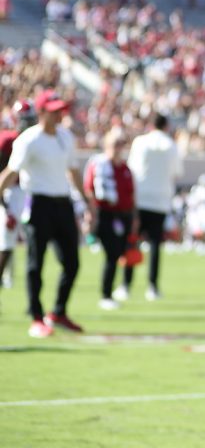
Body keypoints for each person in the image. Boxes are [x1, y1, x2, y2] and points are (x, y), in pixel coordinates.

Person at [0, 91, 85, 338]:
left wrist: (86, 200)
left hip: (63, 203)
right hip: (38, 203)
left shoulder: (65, 137)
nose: (60, 114)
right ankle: (36, 317)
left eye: (61, 109)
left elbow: (73, 171)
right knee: (35, 263)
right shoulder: (28, 140)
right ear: (42, 112)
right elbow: (11, 172)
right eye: (54, 110)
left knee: (72, 262)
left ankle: (58, 311)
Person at [125, 114, 180, 301]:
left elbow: (131, 169)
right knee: (155, 245)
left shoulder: (140, 142)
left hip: (140, 199)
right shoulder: (170, 145)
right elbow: (176, 173)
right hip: (160, 201)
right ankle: (152, 286)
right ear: (165, 126)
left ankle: (125, 285)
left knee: (132, 241)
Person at [84, 129, 135, 311]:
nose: (119, 148)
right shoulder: (99, 165)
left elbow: (131, 195)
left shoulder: (125, 168)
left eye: (121, 144)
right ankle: (106, 294)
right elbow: (89, 189)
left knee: (123, 252)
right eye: (115, 144)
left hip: (123, 215)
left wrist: (134, 218)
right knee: (112, 254)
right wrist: (90, 214)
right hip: (105, 214)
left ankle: (124, 286)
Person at [0, 99, 37, 295]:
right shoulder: (7, 140)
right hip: (9, 193)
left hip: (29, 193)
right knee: (5, 244)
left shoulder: (36, 139)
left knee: (35, 243)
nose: (29, 124)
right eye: (26, 120)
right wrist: (4, 206)